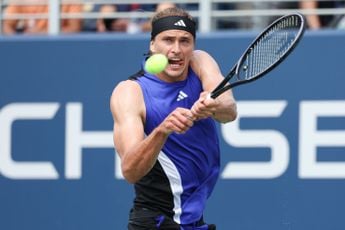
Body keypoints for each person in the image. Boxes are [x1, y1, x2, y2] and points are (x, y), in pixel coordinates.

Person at [110, 6, 237, 230]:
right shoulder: (130, 91)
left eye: (184, 41)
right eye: (168, 40)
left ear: (193, 45)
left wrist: (212, 103)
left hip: (192, 220)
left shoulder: (200, 62)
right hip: (155, 221)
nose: (176, 49)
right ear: (152, 45)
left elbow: (229, 111)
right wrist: (162, 130)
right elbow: (130, 170)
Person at [2, 0, 82, 35]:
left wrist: (42, 33)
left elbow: (75, 29)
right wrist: (17, 43)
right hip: (29, 48)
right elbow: (6, 25)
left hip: (62, 48)